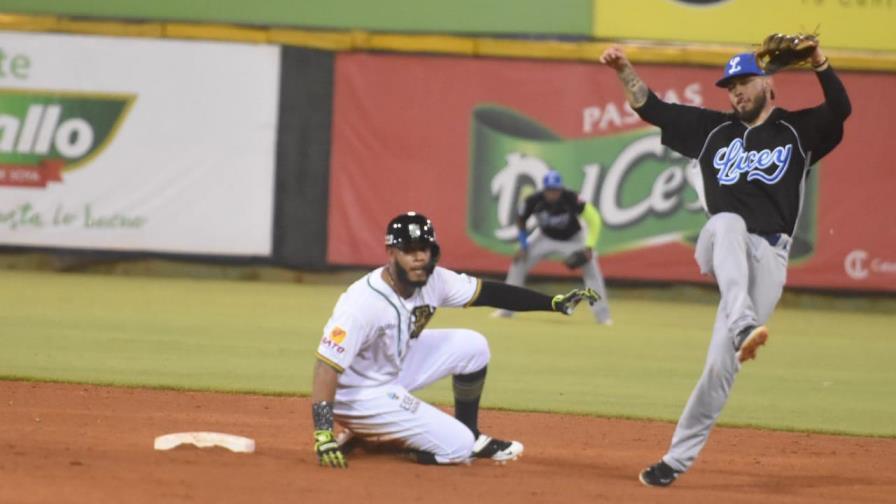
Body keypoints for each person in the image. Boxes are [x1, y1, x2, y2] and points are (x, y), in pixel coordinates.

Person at [600, 41, 851, 487]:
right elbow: (651, 107)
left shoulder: (797, 131)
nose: (736, 92)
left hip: (770, 257)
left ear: (767, 84)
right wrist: (623, 69)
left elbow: (840, 109)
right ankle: (742, 324)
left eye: (744, 82)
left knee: (720, 368)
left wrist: (819, 62)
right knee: (728, 221)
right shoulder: (711, 131)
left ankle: (674, 462)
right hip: (721, 242)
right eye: (730, 86)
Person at [310, 211, 598, 468]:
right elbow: (326, 366)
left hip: (390, 367)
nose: (419, 257)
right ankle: (387, 440)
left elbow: (490, 293)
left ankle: (467, 431)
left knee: (473, 346)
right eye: (409, 250)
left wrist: (553, 303)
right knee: (458, 447)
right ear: (390, 253)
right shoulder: (362, 302)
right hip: (359, 395)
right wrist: (323, 434)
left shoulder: (435, 279)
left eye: (424, 249)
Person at [493, 170, 612, 325]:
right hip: (544, 237)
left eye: (556, 190)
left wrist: (589, 247)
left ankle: (603, 316)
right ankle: (506, 309)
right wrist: (523, 244)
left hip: (573, 239)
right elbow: (521, 220)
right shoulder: (534, 200)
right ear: (544, 189)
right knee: (518, 263)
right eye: (549, 190)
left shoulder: (571, 198)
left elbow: (594, 218)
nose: (553, 193)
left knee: (592, 270)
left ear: (561, 189)